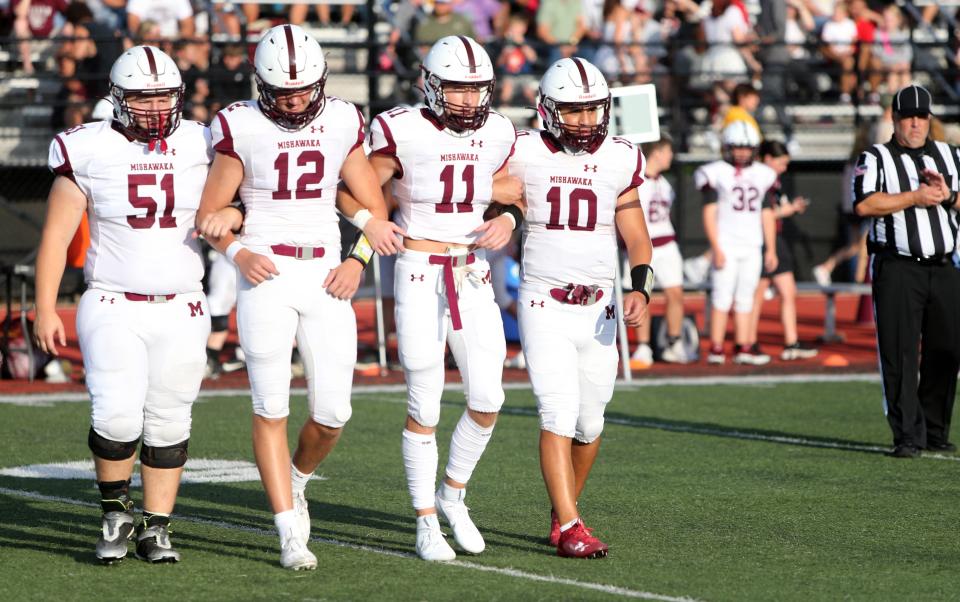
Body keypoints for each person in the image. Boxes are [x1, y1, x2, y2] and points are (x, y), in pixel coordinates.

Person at [196, 24, 402, 569]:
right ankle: (288, 530)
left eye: (302, 88)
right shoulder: (239, 125)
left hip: (326, 271)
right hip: (266, 270)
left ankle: (296, 479)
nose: (292, 99)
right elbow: (209, 217)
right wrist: (238, 252)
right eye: (281, 89)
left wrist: (358, 261)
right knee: (271, 405)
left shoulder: (341, 119)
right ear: (259, 83)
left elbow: (372, 207)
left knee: (334, 413)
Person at [34, 46, 214, 564]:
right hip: (112, 299)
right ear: (117, 99)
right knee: (116, 416)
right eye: (143, 98)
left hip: (183, 302)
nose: (156, 108)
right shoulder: (87, 148)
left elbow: (230, 203)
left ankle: (157, 528)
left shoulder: (202, 141)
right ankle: (115, 514)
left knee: (170, 421)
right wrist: (47, 307)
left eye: (164, 97)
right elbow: (55, 235)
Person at [343, 35, 519, 561]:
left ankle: (453, 494)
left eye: (476, 90)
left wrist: (508, 217)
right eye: (458, 90)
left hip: (473, 272)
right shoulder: (400, 128)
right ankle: (424, 519)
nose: (468, 100)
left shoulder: (500, 131)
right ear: (432, 85)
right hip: (419, 268)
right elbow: (352, 187)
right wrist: (367, 225)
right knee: (425, 398)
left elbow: (516, 192)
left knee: (489, 399)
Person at [511, 57, 651, 558]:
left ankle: (563, 507)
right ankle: (571, 526)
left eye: (593, 110)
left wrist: (640, 287)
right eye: (573, 111)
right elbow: (499, 194)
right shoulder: (523, 149)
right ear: (547, 110)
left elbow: (636, 234)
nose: (585, 121)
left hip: (599, 307)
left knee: (590, 424)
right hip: (543, 298)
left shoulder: (621, 156)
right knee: (557, 412)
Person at [853, 84, 960, 458]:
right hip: (898, 266)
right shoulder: (876, 157)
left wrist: (948, 196)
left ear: (929, 120)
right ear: (895, 119)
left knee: (948, 348)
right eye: (907, 117)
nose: (914, 124)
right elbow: (865, 205)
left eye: (921, 117)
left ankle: (934, 428)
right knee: (899, 352)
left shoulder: (950, 155)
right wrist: (915, 197)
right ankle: (907, 436)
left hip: (944, 266)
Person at [697, 121, 778, 365]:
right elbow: (709, 212)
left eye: (746, 147)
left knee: (746, 296)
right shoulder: (716, 171)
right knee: (722, 296)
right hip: (727, 244)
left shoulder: (763, 174)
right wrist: (716, 247)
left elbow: (766, 213)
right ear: (726, 147)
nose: (742, 152)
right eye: (737, 147)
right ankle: (717, 347)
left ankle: (743, 346)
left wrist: (771, 248)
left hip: (752, 245)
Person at [746, 140, 818, 361]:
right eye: (781, 162)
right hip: (760, 238)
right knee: (758, 293)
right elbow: (759, 214)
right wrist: (786, 211)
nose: (784, 168)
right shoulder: (757, 178)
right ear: (767, 159)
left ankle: (791, 342)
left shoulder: (773, 180)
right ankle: (748, 342)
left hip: (776, 238)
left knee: (788, 291)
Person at [631, 135, 687, 367]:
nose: (670, 157)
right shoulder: (637, 183)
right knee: (642, 295)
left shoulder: (665, 184)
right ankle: (643, 346)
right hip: (645, 246)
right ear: (657, 152)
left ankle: (673, 342)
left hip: (667, 245)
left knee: (676, 294)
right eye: (667, 151)